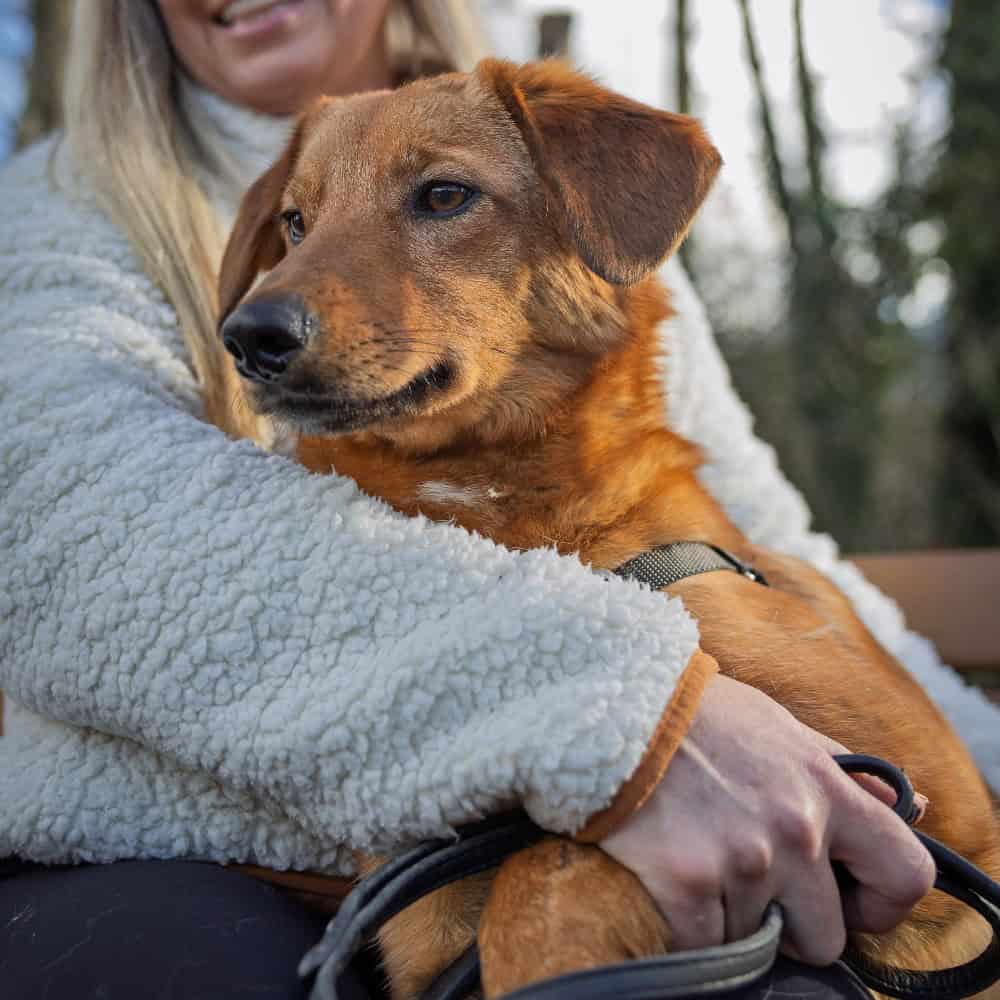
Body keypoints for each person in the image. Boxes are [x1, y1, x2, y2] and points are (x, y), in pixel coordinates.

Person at [0, 1, 996, 997]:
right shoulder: (55, 213)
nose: (284, 295)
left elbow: (778, 551)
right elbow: (69, 531)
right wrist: (625, 720)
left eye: (438, 198)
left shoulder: (559, 157)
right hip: (176, 879)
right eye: (295, 228)